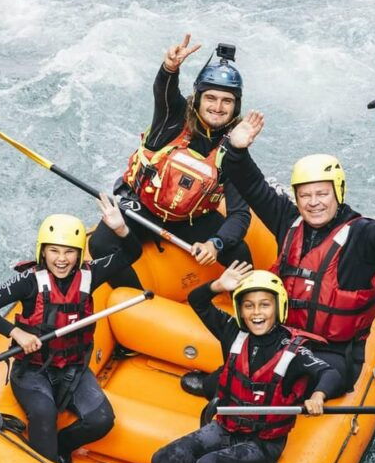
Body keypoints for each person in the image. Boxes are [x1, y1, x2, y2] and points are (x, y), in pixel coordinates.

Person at [182, 112, 375, 399]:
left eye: (322, 194)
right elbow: (253, 186)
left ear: (338, 192)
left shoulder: (361, 235)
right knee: (231, 376)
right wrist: (237, 150)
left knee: (286, 381)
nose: (313, 203)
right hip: (282, 336)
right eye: (305, 195)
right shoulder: (288, 219)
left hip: (332, 353)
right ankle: (222, 384)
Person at [0, 194, 141, 463]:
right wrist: (16, 333)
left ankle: (62, 447)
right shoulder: (28, 281)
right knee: (44, 412)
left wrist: (120, 228)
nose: (61, 259)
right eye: (54, 251)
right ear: (43, 251)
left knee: (101, 420)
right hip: (32, 370)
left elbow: (131, 254)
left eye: (69, 252)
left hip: (74, 368)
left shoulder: (90, 275)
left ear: (79, 254)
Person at [138, 265, 340, 463]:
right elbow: (197, 301)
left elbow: (330, 373)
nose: (256, 313)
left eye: (265, 305)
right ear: (240, 310)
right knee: (163, 461)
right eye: (248, 306)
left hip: (262, 444)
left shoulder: (294, 351)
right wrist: (218, 286)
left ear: (279, 307)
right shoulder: (233, 332)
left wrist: (318, 396)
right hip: (226, 427)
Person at [88, 34, 258, 288]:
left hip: (192, 219)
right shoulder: (172, 118)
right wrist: (169, 68)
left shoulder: (234, 147)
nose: (218, 107)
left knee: (240, 254)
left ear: (236, 106)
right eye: (211, 98)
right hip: (143, 207)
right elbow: (164, 91)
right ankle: (137, 299)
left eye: (227, 101)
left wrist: (216, 243)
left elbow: (240, 214)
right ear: (198, 99)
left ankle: (250, 305)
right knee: (101, 244)